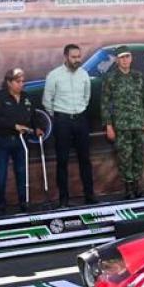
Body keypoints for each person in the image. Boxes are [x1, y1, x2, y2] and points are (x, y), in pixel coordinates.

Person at [44, 44, 96, 207]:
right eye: (73, 57)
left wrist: (79, 110)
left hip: (80, 119)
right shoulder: (54, 75)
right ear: (65, 57)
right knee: (62, 161)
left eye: (79, 57)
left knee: (85, 159)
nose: (77, 60)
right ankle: (64, 199)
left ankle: (89, 195)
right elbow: (47, 100)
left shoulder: (84, 74)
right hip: (62, 121)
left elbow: (87, 96)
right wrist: (59, 115)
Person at [0, 68, 45, 214]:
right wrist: (14, 126)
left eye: (23, 81)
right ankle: (1, 203)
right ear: (9, 82)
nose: (21, 84)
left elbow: (33, 115)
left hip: (21, 141)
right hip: (3, 140)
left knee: (21, 171)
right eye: (18, 81)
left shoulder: (26, 97)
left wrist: (37, 127)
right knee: (1, 172)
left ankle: (23, 201)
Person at [103, 49, 144, 199]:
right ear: (117, 60)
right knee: (125, 158)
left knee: (138, 156)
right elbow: (105, 104)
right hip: (121, 125)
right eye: (122, 58)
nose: (125, 60)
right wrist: (108, 125)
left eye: (127, 57)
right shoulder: (111, 78)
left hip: (138, 124)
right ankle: (128, 188)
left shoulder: (138, 76)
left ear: (131, 58)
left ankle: (137, 187)